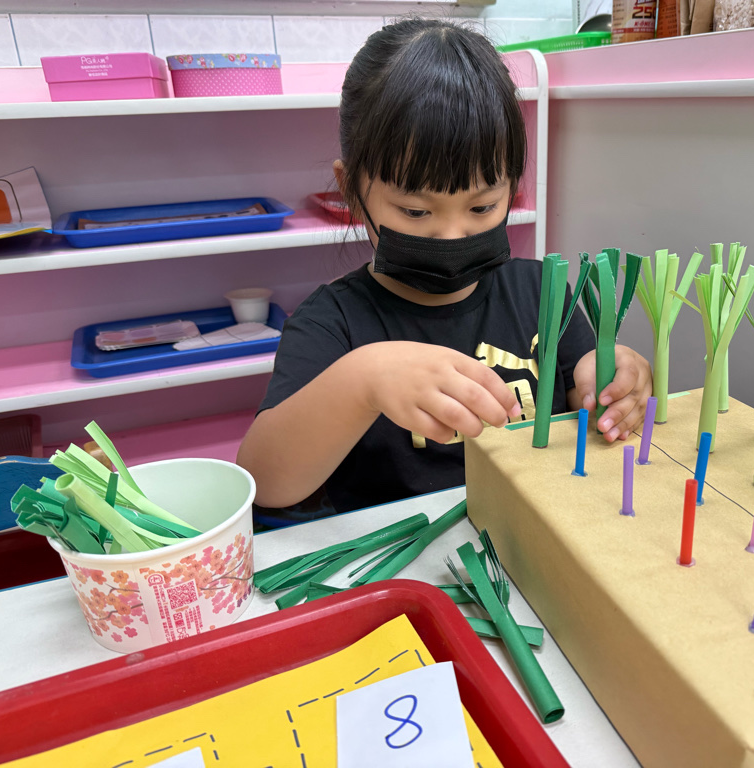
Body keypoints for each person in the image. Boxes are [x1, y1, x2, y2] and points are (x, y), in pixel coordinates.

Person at [237, 18, 652, 518]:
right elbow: (266, 485)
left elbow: (589, 398)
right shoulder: (331, 324)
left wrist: (615, 383)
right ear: (352, 191)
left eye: (482, 207)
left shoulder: (542, 293)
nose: (453, 236)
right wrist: (363, 380)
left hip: (531, 535)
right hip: (403, 554)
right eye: (416, 211)